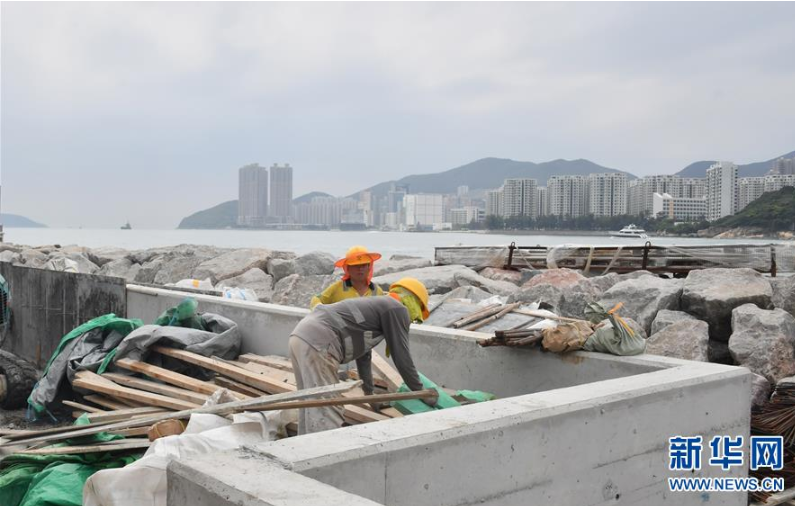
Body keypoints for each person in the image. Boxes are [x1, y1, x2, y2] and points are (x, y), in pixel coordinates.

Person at [289, 277, 435, 434]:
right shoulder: (397, 308)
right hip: (320, 341)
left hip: (301, 335)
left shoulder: (377, 305)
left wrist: (369, 393)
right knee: (327, 407)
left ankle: (303, 443)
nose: (413, 319)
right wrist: (421, 391)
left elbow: (363, 355)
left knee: (309, 402)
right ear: (414, 302)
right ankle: (324, 447)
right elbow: (401, 356)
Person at [309, 246, 384, 309]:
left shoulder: (377, 291)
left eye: (363, 265)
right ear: (347, 268)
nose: (360, 269)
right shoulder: (337, 287)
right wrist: (319, 308)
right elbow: (317, 299)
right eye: (355, 265)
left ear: (369, 267)